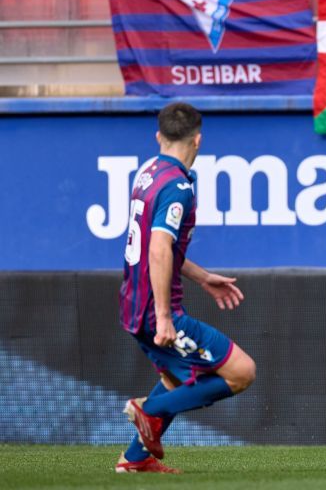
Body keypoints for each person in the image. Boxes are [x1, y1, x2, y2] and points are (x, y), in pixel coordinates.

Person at [115, 102, 256, 473]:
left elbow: (155, 245)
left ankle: (134, 459)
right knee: (241, 372)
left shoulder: (147, 172)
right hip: (155, 309)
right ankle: (149, 410)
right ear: (198, 139)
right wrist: (165, 318)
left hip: (132, 301)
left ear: (159, 136)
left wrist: (202, 276)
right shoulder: (178, 186)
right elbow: (159, 247)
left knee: (177, 376)